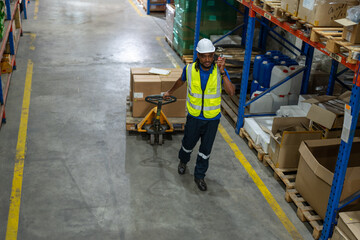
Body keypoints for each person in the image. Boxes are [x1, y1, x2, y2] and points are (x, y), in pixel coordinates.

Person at [163, 38, 235, 191]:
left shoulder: (219, 71)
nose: (207, 59)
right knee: (188, 144)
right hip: (194, 117)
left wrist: (223, 72)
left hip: (212, 120)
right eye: (204, 56)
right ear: (198, 55)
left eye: (210, 56)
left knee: (205, 150)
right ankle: (183, 161)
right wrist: (169, 91)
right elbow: (180, 81)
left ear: (214, 55)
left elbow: (231, 92)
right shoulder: (189, 70)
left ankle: (200, 176)